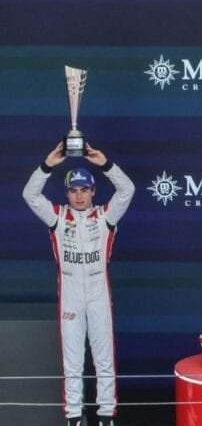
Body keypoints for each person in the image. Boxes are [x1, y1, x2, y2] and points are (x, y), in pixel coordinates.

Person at [23, 143, 135, 426]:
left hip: (99, 292)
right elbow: (29, 194)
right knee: (73, 362)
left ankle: (106, 416)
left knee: (103, 358)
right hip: (70, 293)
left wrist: (105, 163)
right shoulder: (57, 217)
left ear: (93, 191)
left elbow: (128, 190)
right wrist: (48, 164)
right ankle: (74, 417)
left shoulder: (106, 215)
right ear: (67, 193)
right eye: (74, 190)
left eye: (84, 190)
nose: (79, 195)